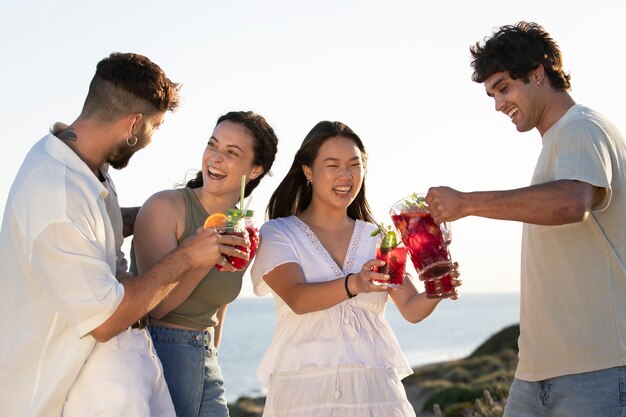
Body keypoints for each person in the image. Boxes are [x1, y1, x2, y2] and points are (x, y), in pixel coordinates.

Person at [0, 52, 248, 417]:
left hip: (127, 361)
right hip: (75, 383)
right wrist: (188, 256)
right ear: (134, 125)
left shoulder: (85, 164)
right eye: (156, 126)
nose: (152, 138)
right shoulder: (55, 194)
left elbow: (97, 223)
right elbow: (106, 318)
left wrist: (165, 214)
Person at [425, 21, 626, 417]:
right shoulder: (559, 140)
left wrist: (466, 202)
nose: (498, 103)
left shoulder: (581, 127)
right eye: (491, 94)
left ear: (538, 73)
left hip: (595, 370)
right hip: (538, 374)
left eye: (503, 87)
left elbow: (571, 203)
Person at [250, 120, 460, 416]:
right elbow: (297, 298)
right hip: (304, 395)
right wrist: (355, 284)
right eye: (332, 165)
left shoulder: (378, 235)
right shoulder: (279, 233)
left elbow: (411, 308)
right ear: (308, 171)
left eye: (354, 164)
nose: (345, 175)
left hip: (377, 393)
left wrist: (439, 285)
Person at [131, 110, 279, 417]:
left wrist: (213, 353)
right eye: (213, 145)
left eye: (231, 152)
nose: (216, 158)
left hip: (206, 359)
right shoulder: (165, 208)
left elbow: (220, 305)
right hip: (160, 351)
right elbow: (153, 308)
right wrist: (201, 257)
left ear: (255, 170)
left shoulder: (243, 228)